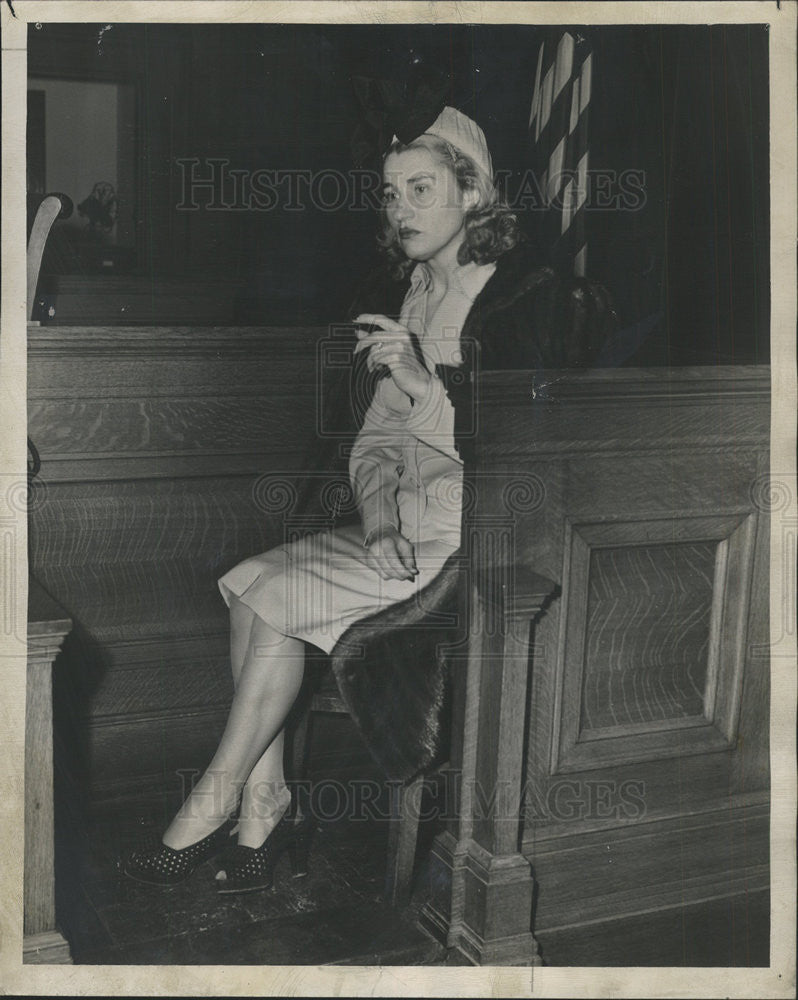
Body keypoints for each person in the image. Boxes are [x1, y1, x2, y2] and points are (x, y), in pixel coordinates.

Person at [121, 105, 608, 893]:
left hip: (478, 539)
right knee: (249, 582)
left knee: (272, 599)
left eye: (422, 188)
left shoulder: (533, 297)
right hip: (403, 527)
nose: (402, 208)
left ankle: (218, 800)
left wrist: (426, 390)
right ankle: (266, 800)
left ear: (475, 192)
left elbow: (527, 458)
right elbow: (375, 444)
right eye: (390, 194)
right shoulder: (411, 290)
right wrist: (379, 521)